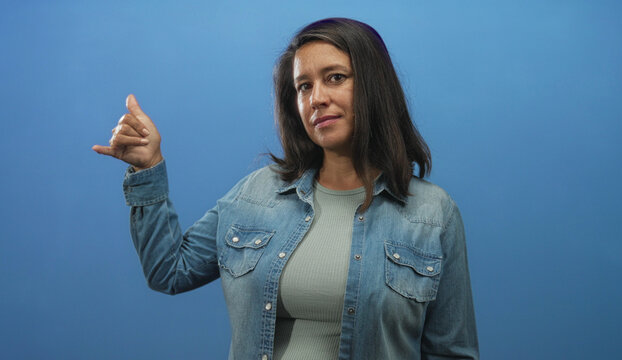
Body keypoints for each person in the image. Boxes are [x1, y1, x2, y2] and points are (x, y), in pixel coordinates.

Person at [93, 17, 478, 360]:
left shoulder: (432, 213)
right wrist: (148, 169)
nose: (317, 99)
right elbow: (169, 271)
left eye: (336, 78)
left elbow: (451, 352)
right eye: (303, 87)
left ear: (375, 87)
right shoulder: (258, 194)